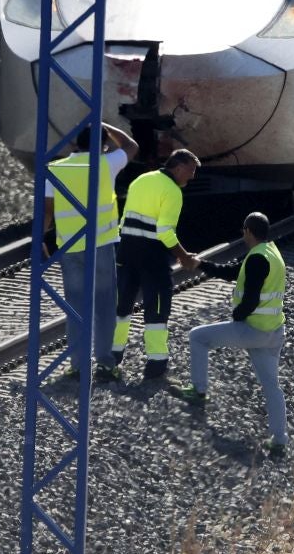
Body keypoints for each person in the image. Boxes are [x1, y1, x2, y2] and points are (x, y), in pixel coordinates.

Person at [172, 211, 289, 458]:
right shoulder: (270, 252)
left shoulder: (257, 258)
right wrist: (201, 265)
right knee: (272, 386)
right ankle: (279, 441)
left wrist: (237, 316)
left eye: (243, 231)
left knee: (197, 337)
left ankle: (199, 391)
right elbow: (235, 272)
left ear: (248, 231)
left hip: (253, 330)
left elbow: (251, 298)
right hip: (275, 331)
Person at [43, 122, 137, 381]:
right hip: (102, 244)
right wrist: (105, 125)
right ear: (103, 145)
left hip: (70, 247)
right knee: (105, 305)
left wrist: (40, 238)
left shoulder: (55, 169)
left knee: (75, 306)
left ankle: (77, 364)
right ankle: (106, 364)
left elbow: (48, 210)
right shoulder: (106, 163)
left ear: (74, 144)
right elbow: (131, 145)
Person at [109, 148, 201, 381]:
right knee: (157, 306)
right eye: (190, 171)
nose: (192, 177)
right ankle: (156, 362)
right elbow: (165, 232)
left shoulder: (141, 180)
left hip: (127, 250)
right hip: (152, 256)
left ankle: (112, 355)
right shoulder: (172, 191)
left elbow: (124, 220)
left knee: (122, 305)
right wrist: (184, 257)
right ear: (178, 167)